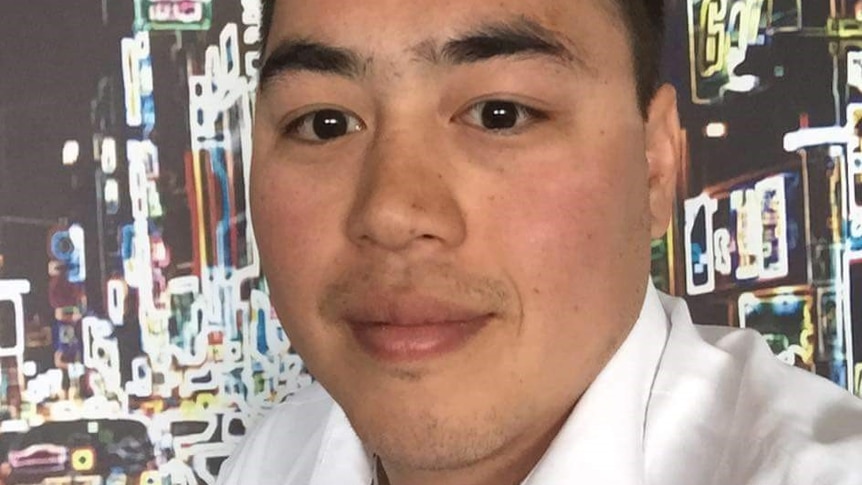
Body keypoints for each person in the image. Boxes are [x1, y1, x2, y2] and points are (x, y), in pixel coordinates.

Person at [216, 0, 862, 483]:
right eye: (325, 123)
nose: (390, 212)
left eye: (502, 114)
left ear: (655, 162)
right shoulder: (278, 455)